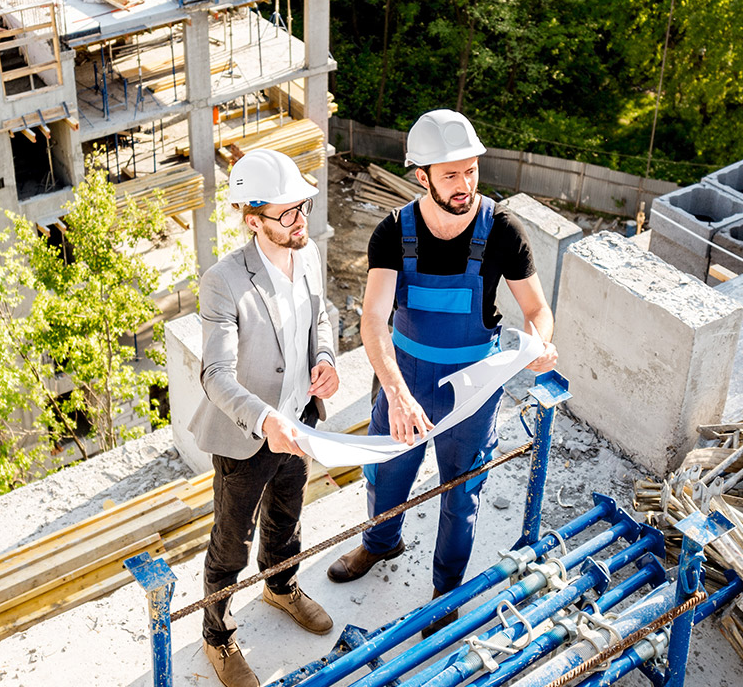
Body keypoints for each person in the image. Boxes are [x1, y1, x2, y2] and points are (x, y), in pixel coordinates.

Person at [326, 109, 558, 637]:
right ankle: (380, 544)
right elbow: (372, 320)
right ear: (421, 175)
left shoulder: (502, 231)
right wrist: (398, 395)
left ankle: (444, 589)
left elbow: (538, 310)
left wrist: (542, 341)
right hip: (403, 375)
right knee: (387, 473)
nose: (464, 184)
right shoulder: (393, 233)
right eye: (450, 174)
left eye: (471, 170)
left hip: (473, 387)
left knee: (462, 490)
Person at [191, 149, 340, 687]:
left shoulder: (309, 254)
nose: (301, 221)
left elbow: (320, 315)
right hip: (246, 438)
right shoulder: (224, 280)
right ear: (253, 220)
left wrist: (325, 358)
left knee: (288, 517)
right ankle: (218, 636)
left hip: (300, 419)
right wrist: (265, 421)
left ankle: (279, 587)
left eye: (302, 207)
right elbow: (215, 375)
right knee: (229, 543)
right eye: (287, 214)